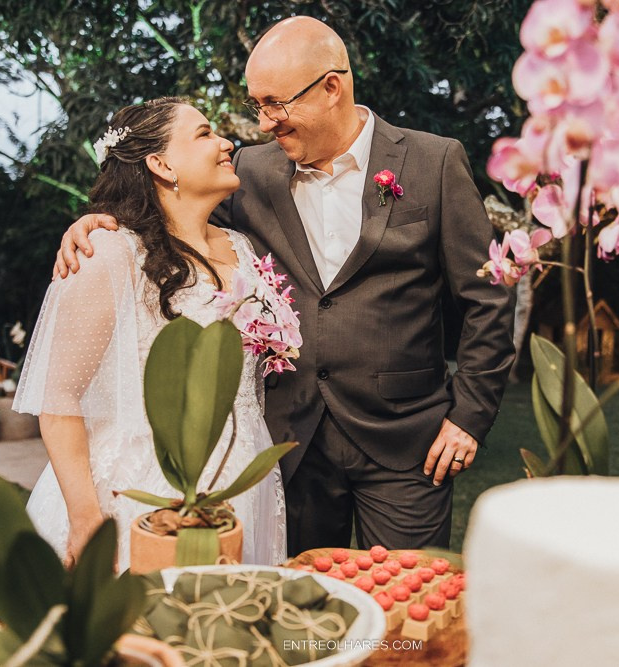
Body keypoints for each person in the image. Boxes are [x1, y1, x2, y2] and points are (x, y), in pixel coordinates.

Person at [54, 17, 514, 555]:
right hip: (290, 445)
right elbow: (165, 212)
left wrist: (469, 417)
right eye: (258, 105)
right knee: (297, 614)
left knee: (402, 613)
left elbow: (488, 295)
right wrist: (98, 221)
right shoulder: (249, 172)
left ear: (330, 88)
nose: (266, 121)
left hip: (407, 443)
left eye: (276, 103)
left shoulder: (434, 162)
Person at [14, 97, 287, 571]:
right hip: (140, 484)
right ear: (160, 164)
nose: (227, 143)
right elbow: (58, 399)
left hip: (244, 474)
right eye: (204, 134)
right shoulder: (109, 251)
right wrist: (84, 516)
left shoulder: (243, 248)